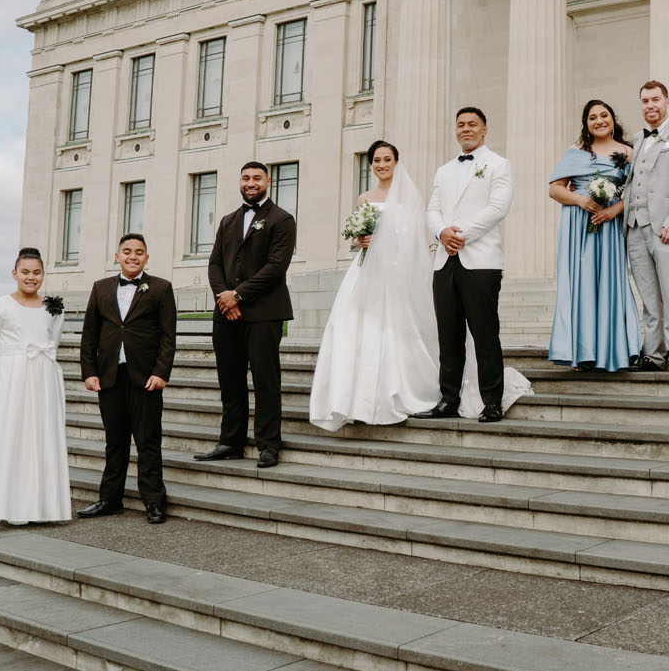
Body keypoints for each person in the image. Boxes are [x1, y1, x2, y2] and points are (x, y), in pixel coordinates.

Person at [309, 139, 529, 430]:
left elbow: (410, 239)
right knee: (353, 329)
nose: (381, 165)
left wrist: (384, 245)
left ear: (396, 162)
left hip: (397, 272)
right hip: (364, 272)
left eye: (387, 159)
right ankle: (357, 402)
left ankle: (404, 396)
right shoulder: (364, 198)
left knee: (397, 332)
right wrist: (360, 239)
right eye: (376, 160)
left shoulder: (409, 197)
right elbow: (359, 236)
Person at [0, 248, 71, 524]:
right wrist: (4, 371)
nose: (31, 278)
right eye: (25, 272)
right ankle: (4, 504)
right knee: (9, 435)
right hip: (10, 379)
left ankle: (40, 506)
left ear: (43, 274)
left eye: (37, 273)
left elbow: (52, 341)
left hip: (42, 379)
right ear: (14, 273)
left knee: (39, 438)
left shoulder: (52, 308)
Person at [420, 107, 516, 423]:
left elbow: (498, 208)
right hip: (444, 260)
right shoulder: (443, 170)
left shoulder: (499, 165)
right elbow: (432, 209)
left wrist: (460, 235)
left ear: (484, 129)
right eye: (460, 124)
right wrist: (441, 232)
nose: (466, 129)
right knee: (448, 336)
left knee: (485, 334)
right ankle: (448, 398)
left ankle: (492, 401)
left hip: (481, 261)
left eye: (472, 124)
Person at [200, 161, 296, 466]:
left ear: (267, 182)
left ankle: (269, 444)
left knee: (266, 380)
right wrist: (224, 299)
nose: (250, 183)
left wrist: (238, 295)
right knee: (230, 380)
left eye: (256, 178)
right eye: (245, 178)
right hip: (226, 315)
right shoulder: (228, 220)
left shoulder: (282, 219)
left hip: (264, 313)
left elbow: (275, 267)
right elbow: (215, 263)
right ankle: (231, 441)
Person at [77, 234, 177, 523]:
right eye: (127, 251)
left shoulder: (161, 288)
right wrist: (89, 372)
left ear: (147, 257)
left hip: (145, 377)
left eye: (139, 252)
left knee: (148, 441)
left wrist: (161, 372)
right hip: (109, 376)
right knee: (114, 442)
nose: (133, 256)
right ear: (117, 256)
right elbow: (89, 334)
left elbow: (168, 337)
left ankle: (154, 501)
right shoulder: (100, 288)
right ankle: (110, 499)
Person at [547, 99, 640, 371]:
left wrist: (614, 211)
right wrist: (581, 200)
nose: (599, 121)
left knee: (609, 281)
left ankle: (613, 352)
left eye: (604, 115)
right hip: (578, 224)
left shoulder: (629, 152)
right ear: (586, 123)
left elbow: (636, 191)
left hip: (609, 226)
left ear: (613, 119)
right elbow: (555, 189)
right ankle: (582, 352)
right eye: (592, 117)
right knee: (581, 282)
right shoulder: (574, 151)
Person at [624, 81, 669, 373]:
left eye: (655, 99)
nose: (650, 105)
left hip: (668, 228)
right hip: (635, 227)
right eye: (645, 101)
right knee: (649, 298)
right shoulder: (635, 139)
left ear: (667, 100)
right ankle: (653, 354)